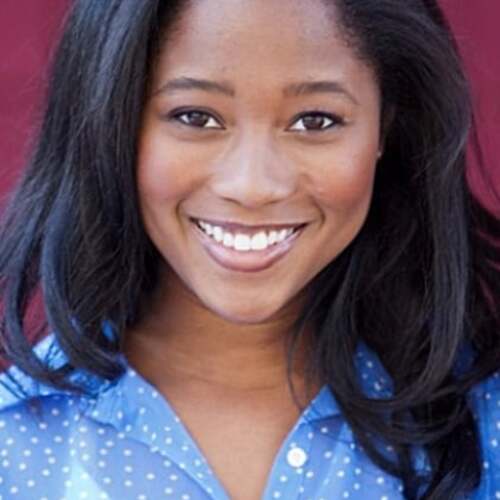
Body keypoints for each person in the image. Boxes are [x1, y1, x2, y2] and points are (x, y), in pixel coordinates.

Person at [0, 0, 499, 498]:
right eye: (195, 116)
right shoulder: (14, 443)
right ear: (115, 123)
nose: (253, 186)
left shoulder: (483, 419)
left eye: (315, 121)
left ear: (384, 127)